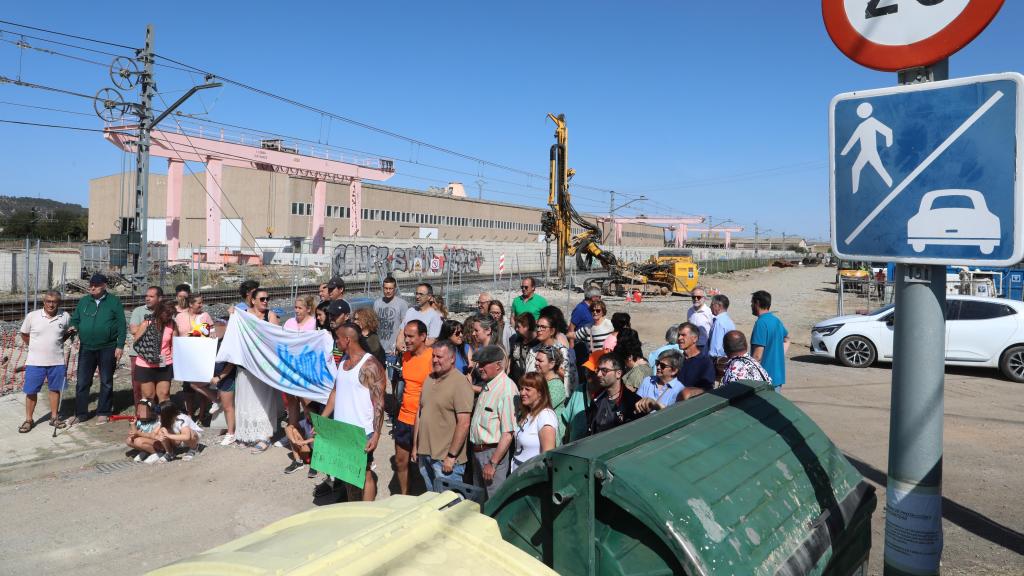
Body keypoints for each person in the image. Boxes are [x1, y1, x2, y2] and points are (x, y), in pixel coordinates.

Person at [324, 322, 386, 501]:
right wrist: (323, 418)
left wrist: (376, 435)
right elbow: (336, 392)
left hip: (361, 432)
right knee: (347, 475)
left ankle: (366, 515)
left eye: (338, 338)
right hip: (342, 430)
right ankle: (353, 506)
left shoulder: (370, 365)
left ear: (347, 339)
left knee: (364, 474)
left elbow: (379, 403)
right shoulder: (343, 360)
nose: (336, 342)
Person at [413, 340, 473, 492]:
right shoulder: (429, 379)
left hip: (445, 460)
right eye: (433, 356)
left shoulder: (460, 383)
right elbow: (420, 414)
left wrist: (451, 456)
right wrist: (415, 447)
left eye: (439, 357)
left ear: (452, 358)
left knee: (448, 509)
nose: (434, 360)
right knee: (432, 505)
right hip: (425, 454)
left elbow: (464, 423)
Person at [69, 273, 126, 425]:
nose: (92, 287)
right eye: (90, 285)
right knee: (82, 381)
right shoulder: (84, 301)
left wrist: (120, 345)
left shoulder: (114, 301)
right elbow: (75, 319)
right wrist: (73, 326)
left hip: (108, 347)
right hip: (86, 347)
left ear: (104, 286)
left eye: (96, 285)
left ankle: (104, 411)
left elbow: (121, 324)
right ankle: (80, 413)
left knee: (106, 381)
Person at [235, 288, 283, 453]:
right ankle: (248, 434)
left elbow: (276, 338)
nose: (265, 301)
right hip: (246, 364)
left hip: (263, 366)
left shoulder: (270, 315)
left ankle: (264, 436)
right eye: (262, 299)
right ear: (253, 300)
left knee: (263, 400)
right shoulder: (243, 314)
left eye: (267, 299)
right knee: (246, 398)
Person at [469, 345, 518, 499]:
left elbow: (508, 433)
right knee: (479, 501)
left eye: (484, 364)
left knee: (493, 502)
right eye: (478, 364)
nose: (479, 368)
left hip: (492, 454)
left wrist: (493, 463)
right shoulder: (489, 385)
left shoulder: (507, 389)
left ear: (498, 365)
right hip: (478, 452)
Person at [18, 291, 71, 433]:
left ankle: (54, 417)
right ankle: (29, 420)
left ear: (58, 303)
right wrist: (35, 347)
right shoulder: (32, 316)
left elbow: (64, 334)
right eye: (48, 301)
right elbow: (24, 334)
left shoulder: (65, 316)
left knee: (55, 389)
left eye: (54, 301)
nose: (51, 304)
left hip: (57, 361)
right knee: (31, 391)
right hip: (35, 362)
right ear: (44, 302)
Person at [394, 320, 433, 495]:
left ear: (423, 337)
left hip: (423, 420)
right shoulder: (406, 356)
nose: (406, 341)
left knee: (424, 465)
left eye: (411, 337)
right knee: (401, 461)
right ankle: (404, 496)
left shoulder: (433, 358)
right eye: (405, 336)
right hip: (404, 418)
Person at [176, 293, 216, 421]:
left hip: (200, 355)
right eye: (199, 303)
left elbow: (212, 331)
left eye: (201, 302)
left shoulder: (204, 316)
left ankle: (202, 413)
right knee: (187, 386)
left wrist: (211, 334)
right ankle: (189, 414)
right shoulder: (180, 316)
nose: (201, 305)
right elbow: (176, 334)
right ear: (191, 304)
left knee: (201, 384)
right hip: (186, 356)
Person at [511, 372, 557, 472]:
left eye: (527, 389)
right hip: (517, 474)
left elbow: (547, 456)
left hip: (531, 477)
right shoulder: (527, 412)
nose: (522, 393)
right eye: (521, 388)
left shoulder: (546, 416)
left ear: (540, 393)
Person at [133, 299, 176, 404]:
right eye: (167, 313)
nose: (169, 316)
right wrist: (149, 354)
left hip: (164, 361)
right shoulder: (146, 323)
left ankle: (164, 419)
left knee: (164, 394)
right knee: (148, 396)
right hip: (145, 364)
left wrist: (174, 359)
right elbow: (136, 343)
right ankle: (148, 419)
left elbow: (174, 344)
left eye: (171, 314)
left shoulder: (172, 324)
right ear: (160, 311)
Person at [587, 356, 643, 436]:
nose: (598, 374)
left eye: (604, 370)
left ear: (618, 374)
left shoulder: (633, 402)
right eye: (598, 370)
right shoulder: (597, 399)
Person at [127, 285, 163, 405]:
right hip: (138, 354)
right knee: (138, 386)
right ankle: (141, 415)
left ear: (160, 298)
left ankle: (156, 413)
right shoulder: (139, 311)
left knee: (160, 384)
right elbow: (133, 330)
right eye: (146, 296)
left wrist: (142, 328)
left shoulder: (165, 312)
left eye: (151, 296)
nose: (147, 298)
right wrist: (154, 327)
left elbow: (168, 330)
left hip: (160, 353)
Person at [750, 290, 790, 388]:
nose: (751, 306)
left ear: (757, 303)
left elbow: (757, 356)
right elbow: (787, 339)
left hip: (764, 380)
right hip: (777, 377)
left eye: (752, 303)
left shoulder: (761, 323)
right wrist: (778, 354)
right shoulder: (776, 321)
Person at [373, 276, 409, 380]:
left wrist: (400, 344)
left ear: (395, 289)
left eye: (390, 288)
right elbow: (374, 324)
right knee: (377, 377)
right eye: (386, 288)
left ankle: (394, 396)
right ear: (382, 288)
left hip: (393, 350)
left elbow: (405, 325)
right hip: (379, 349)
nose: (388, 291)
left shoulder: (402, 304)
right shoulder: (377, 303)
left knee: (393, 378)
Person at [533, 346, 568, 443]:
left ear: (552, 364)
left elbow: (539, 407)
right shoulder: (540, 382)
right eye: (536, 360)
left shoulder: (556, 385)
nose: (536, 363)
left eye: (540, 361)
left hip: (551, 438)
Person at [397, 283, 442, 349]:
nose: (417, 297)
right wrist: (399, 344)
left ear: (429, 297)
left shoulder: (435, 316)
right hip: (406, 354)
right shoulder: (410, 311)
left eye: (421, 294)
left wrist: (412, 348)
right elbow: (401, 332)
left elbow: (431, 340)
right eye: (417, 293)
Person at [676, 322, 716, 390]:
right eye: (678, 335)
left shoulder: (705, 362)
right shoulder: (676, 359)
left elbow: (707, 388)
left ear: (695, 338)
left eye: (683, 335)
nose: (679, 338)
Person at [283, 403, 316, 474]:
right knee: (293, 429)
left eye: (311, 414)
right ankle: (298, 462)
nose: (308, 416)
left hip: (317, 453)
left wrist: (304, 442)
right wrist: (294, 441)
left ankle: (315, 466)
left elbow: (319, 439)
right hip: (308, 452)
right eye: (306, 414)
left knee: (294, 429)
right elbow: (286, 426)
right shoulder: (306, 422)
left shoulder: (319, 424)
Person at [125, 398, 162, 463]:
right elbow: (135, 434)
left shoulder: (156, 422)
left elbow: (155, 437)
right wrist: (133, 424)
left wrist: (139, 434)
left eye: (142, 410)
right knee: (129, 440)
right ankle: (147, 451)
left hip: (157, 443)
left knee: (138, 441)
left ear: (151, 411)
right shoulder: (139, 422)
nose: (139, 412)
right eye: (138, 410)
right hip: (145, 441)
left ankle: (158, 453)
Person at [507, 313, 537, 385]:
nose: (516, 329)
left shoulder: (537, 343)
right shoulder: (517, 340)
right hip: (514, 381)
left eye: (518, 327)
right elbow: (511, 359)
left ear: (526, 327)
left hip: (529, 383)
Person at [707, 294, 736, 365]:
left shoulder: (719, 322)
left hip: (718, 362)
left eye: (712, 304)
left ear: (719, 306)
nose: (710, 307)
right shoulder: (729, 321)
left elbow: (715, 349)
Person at [687, 287, 714, 353]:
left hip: (704, 346)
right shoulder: (690, 311)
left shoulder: (709, 312)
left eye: (698, 297)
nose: (696, 299)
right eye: (693, 297)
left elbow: (713, 330)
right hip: (692, 345)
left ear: (704, 298)